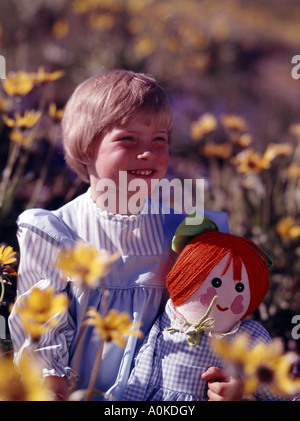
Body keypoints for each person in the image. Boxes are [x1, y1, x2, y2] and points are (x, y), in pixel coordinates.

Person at [9, 69, 239, 401]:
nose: (148, 152)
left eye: (160, 139)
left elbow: (220, 318)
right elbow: (40, 326)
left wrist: (225, 380)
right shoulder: (56, 233)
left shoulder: (187, 233)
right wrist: (50, 383)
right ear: (87, 148)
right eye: (128, 139)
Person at [124, 220, 280, 401]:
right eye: (216, 283)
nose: (224, 297)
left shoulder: (247, 337)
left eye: (239, 289)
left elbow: (280, 393)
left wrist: (243, 393)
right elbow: (143, 363)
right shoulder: (162, 316)